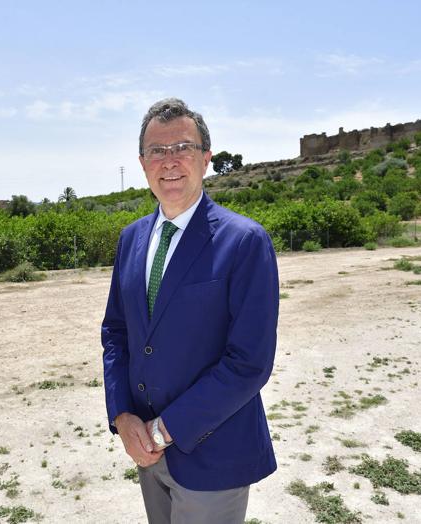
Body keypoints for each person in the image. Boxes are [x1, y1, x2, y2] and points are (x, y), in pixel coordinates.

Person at [101, 98, 279, 523]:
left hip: (213, 454)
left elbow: (249, 363)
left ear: (205, 158)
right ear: (142, 163)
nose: (169, 162)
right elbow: (117, 333)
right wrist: (123, 417)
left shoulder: (244, 242)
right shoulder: (131, 239)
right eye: (156, 151)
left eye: (182, 147)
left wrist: (164, 430)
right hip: (145, 449)